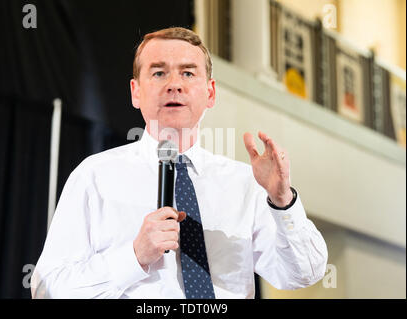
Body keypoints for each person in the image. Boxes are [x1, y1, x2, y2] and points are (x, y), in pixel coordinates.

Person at [31, 27, 328, 299]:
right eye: (159, 73)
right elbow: (47, 289)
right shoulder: (94, 176)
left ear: (210, 92)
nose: (174, 85)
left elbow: (303, 274)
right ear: (136, 92)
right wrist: (134, 256)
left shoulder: (246, 184)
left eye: (188, 73)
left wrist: (282, 202)